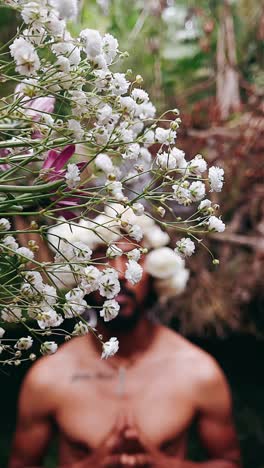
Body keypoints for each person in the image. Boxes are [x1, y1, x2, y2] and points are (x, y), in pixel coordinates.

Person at [9, 240, 241, 468]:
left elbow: (230, 462)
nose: (119, 273)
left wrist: (164, 464)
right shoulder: (49, 377)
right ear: (82, 274)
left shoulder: (198, 372)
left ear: (154, 270)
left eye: (132, 257)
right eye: (102, 258)